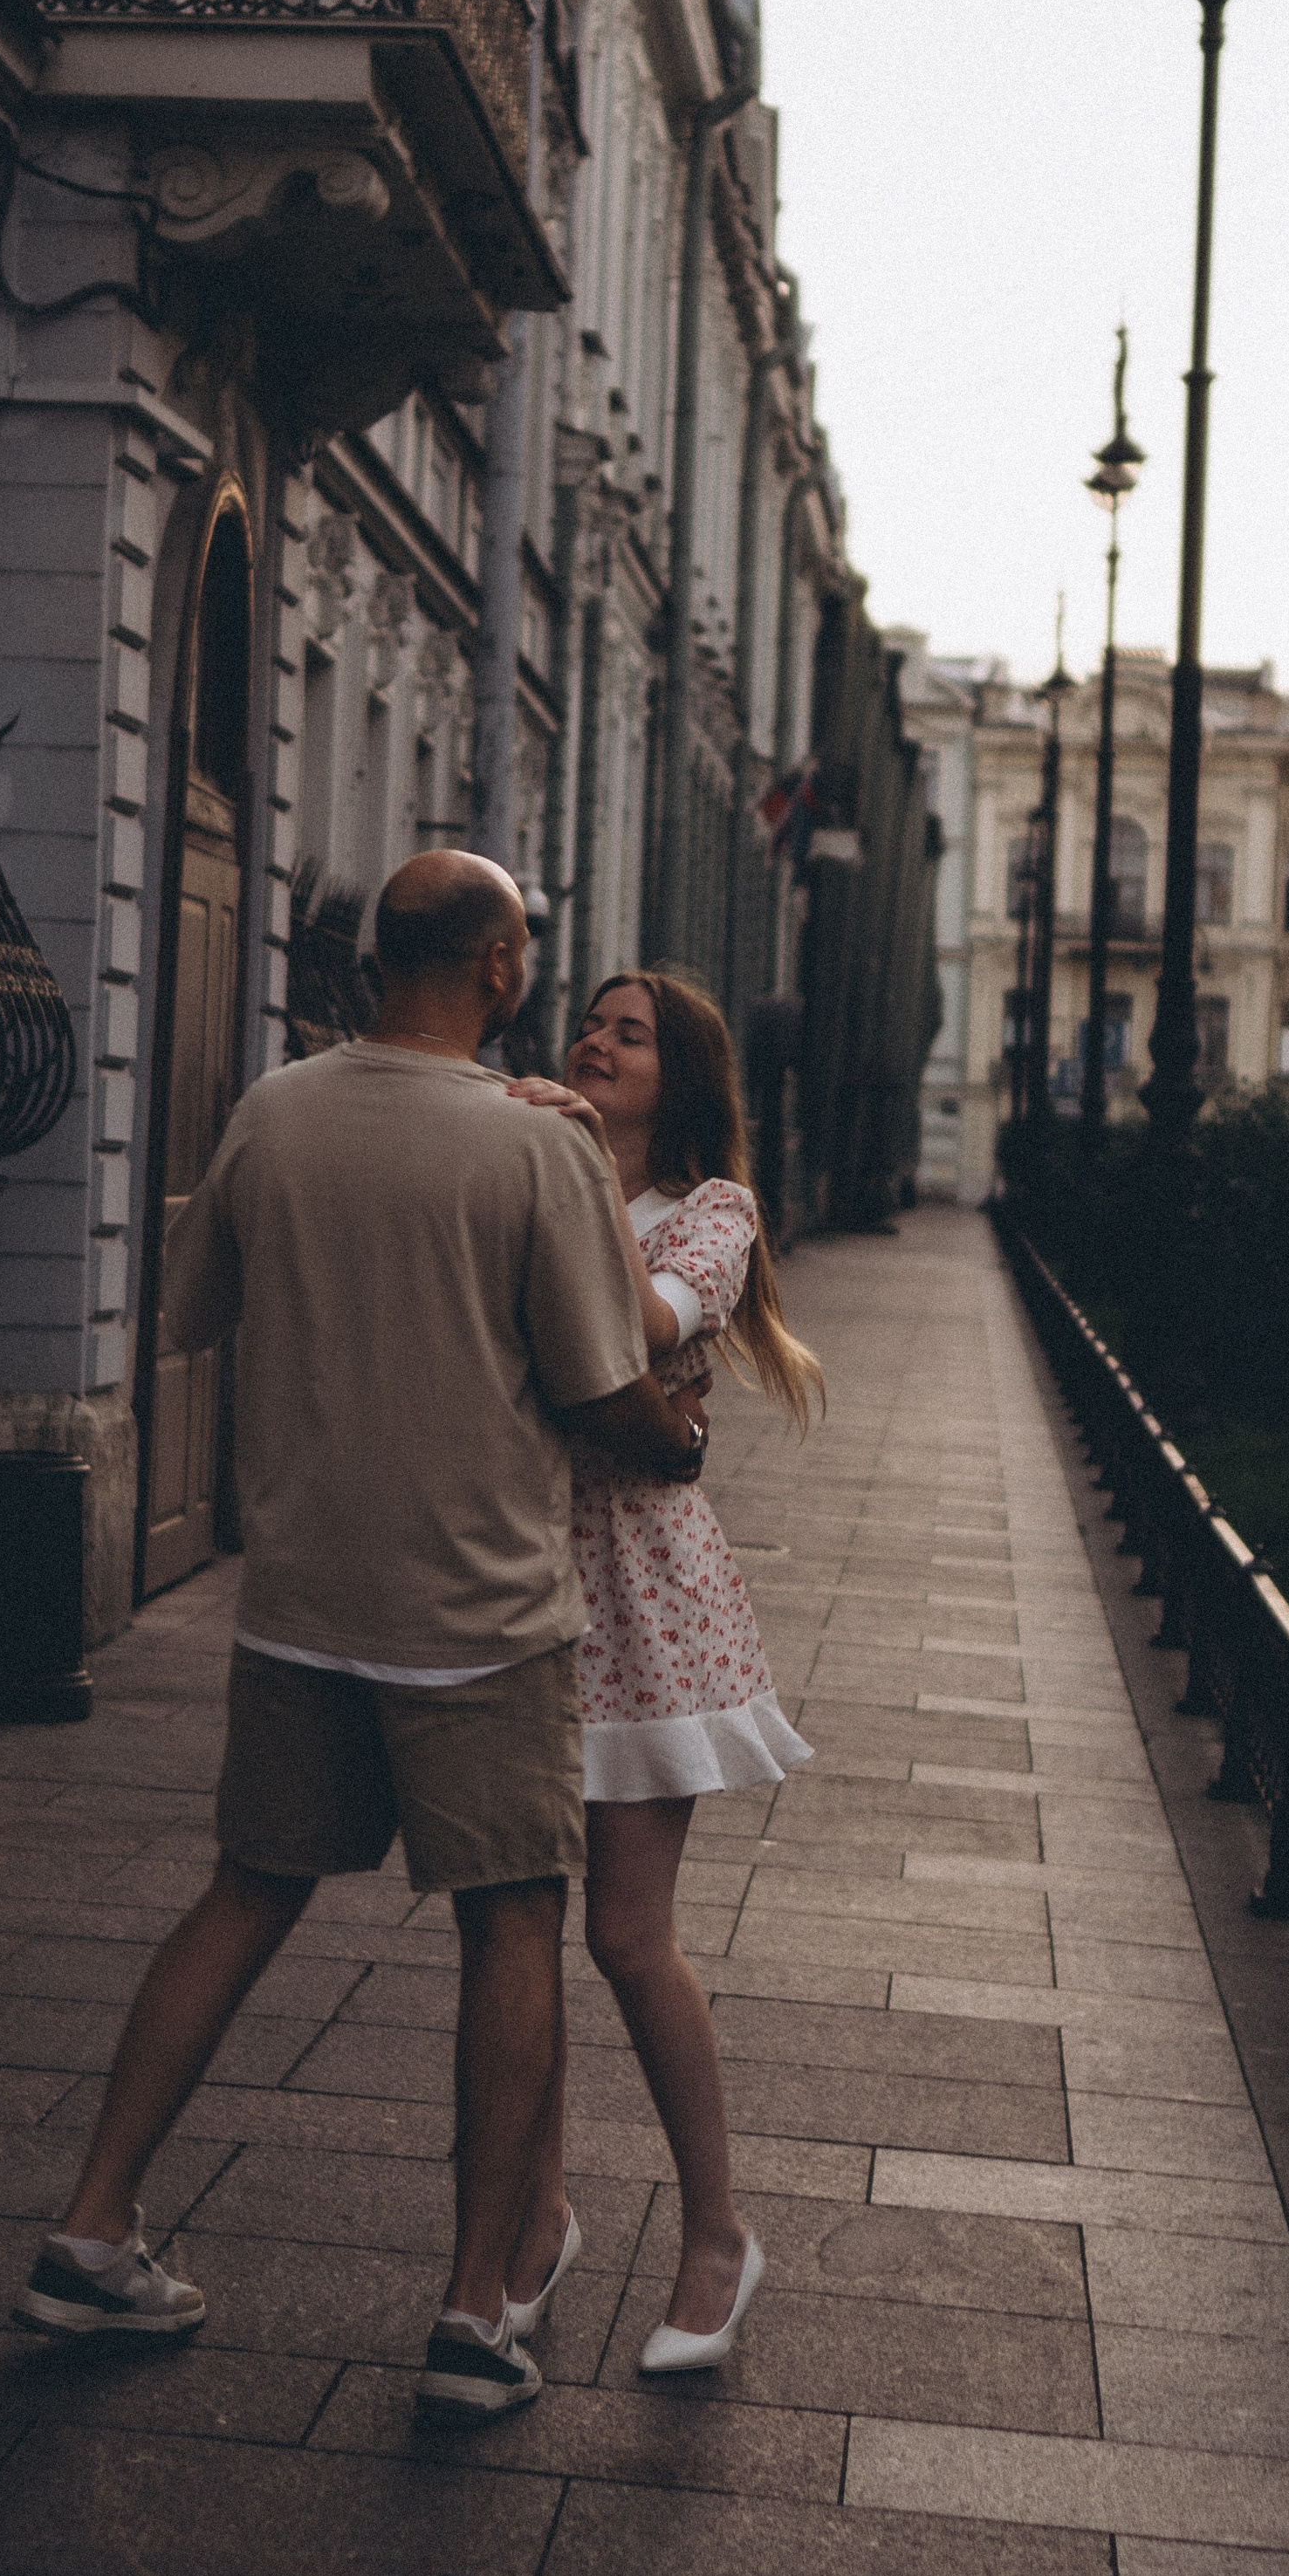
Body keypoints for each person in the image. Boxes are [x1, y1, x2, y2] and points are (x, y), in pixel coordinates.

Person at [12, 855, 711, 2421]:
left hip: (304, 1600)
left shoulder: (275, 1110)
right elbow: (605, 1389)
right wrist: (678, 1442)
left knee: (248, 1894)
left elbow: (194, 1314)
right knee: (512, 1922)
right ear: (503, 968)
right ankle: (474, 2313)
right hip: (481, 1609)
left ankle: (92, 2226)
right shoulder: (534, 1149)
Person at [500, 969, 823, 2373]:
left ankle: (716, 2235)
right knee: (509, 1933)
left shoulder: (715, 1212)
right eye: (589, 1024)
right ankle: (536, 2219)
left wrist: (565, 1171)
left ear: (679, 1078)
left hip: (645, 1606)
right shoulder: (538, 1168)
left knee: (626, 1936)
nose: (594, 1043)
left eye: (628, 1035)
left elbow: (638, 1332)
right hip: (509, 1578)